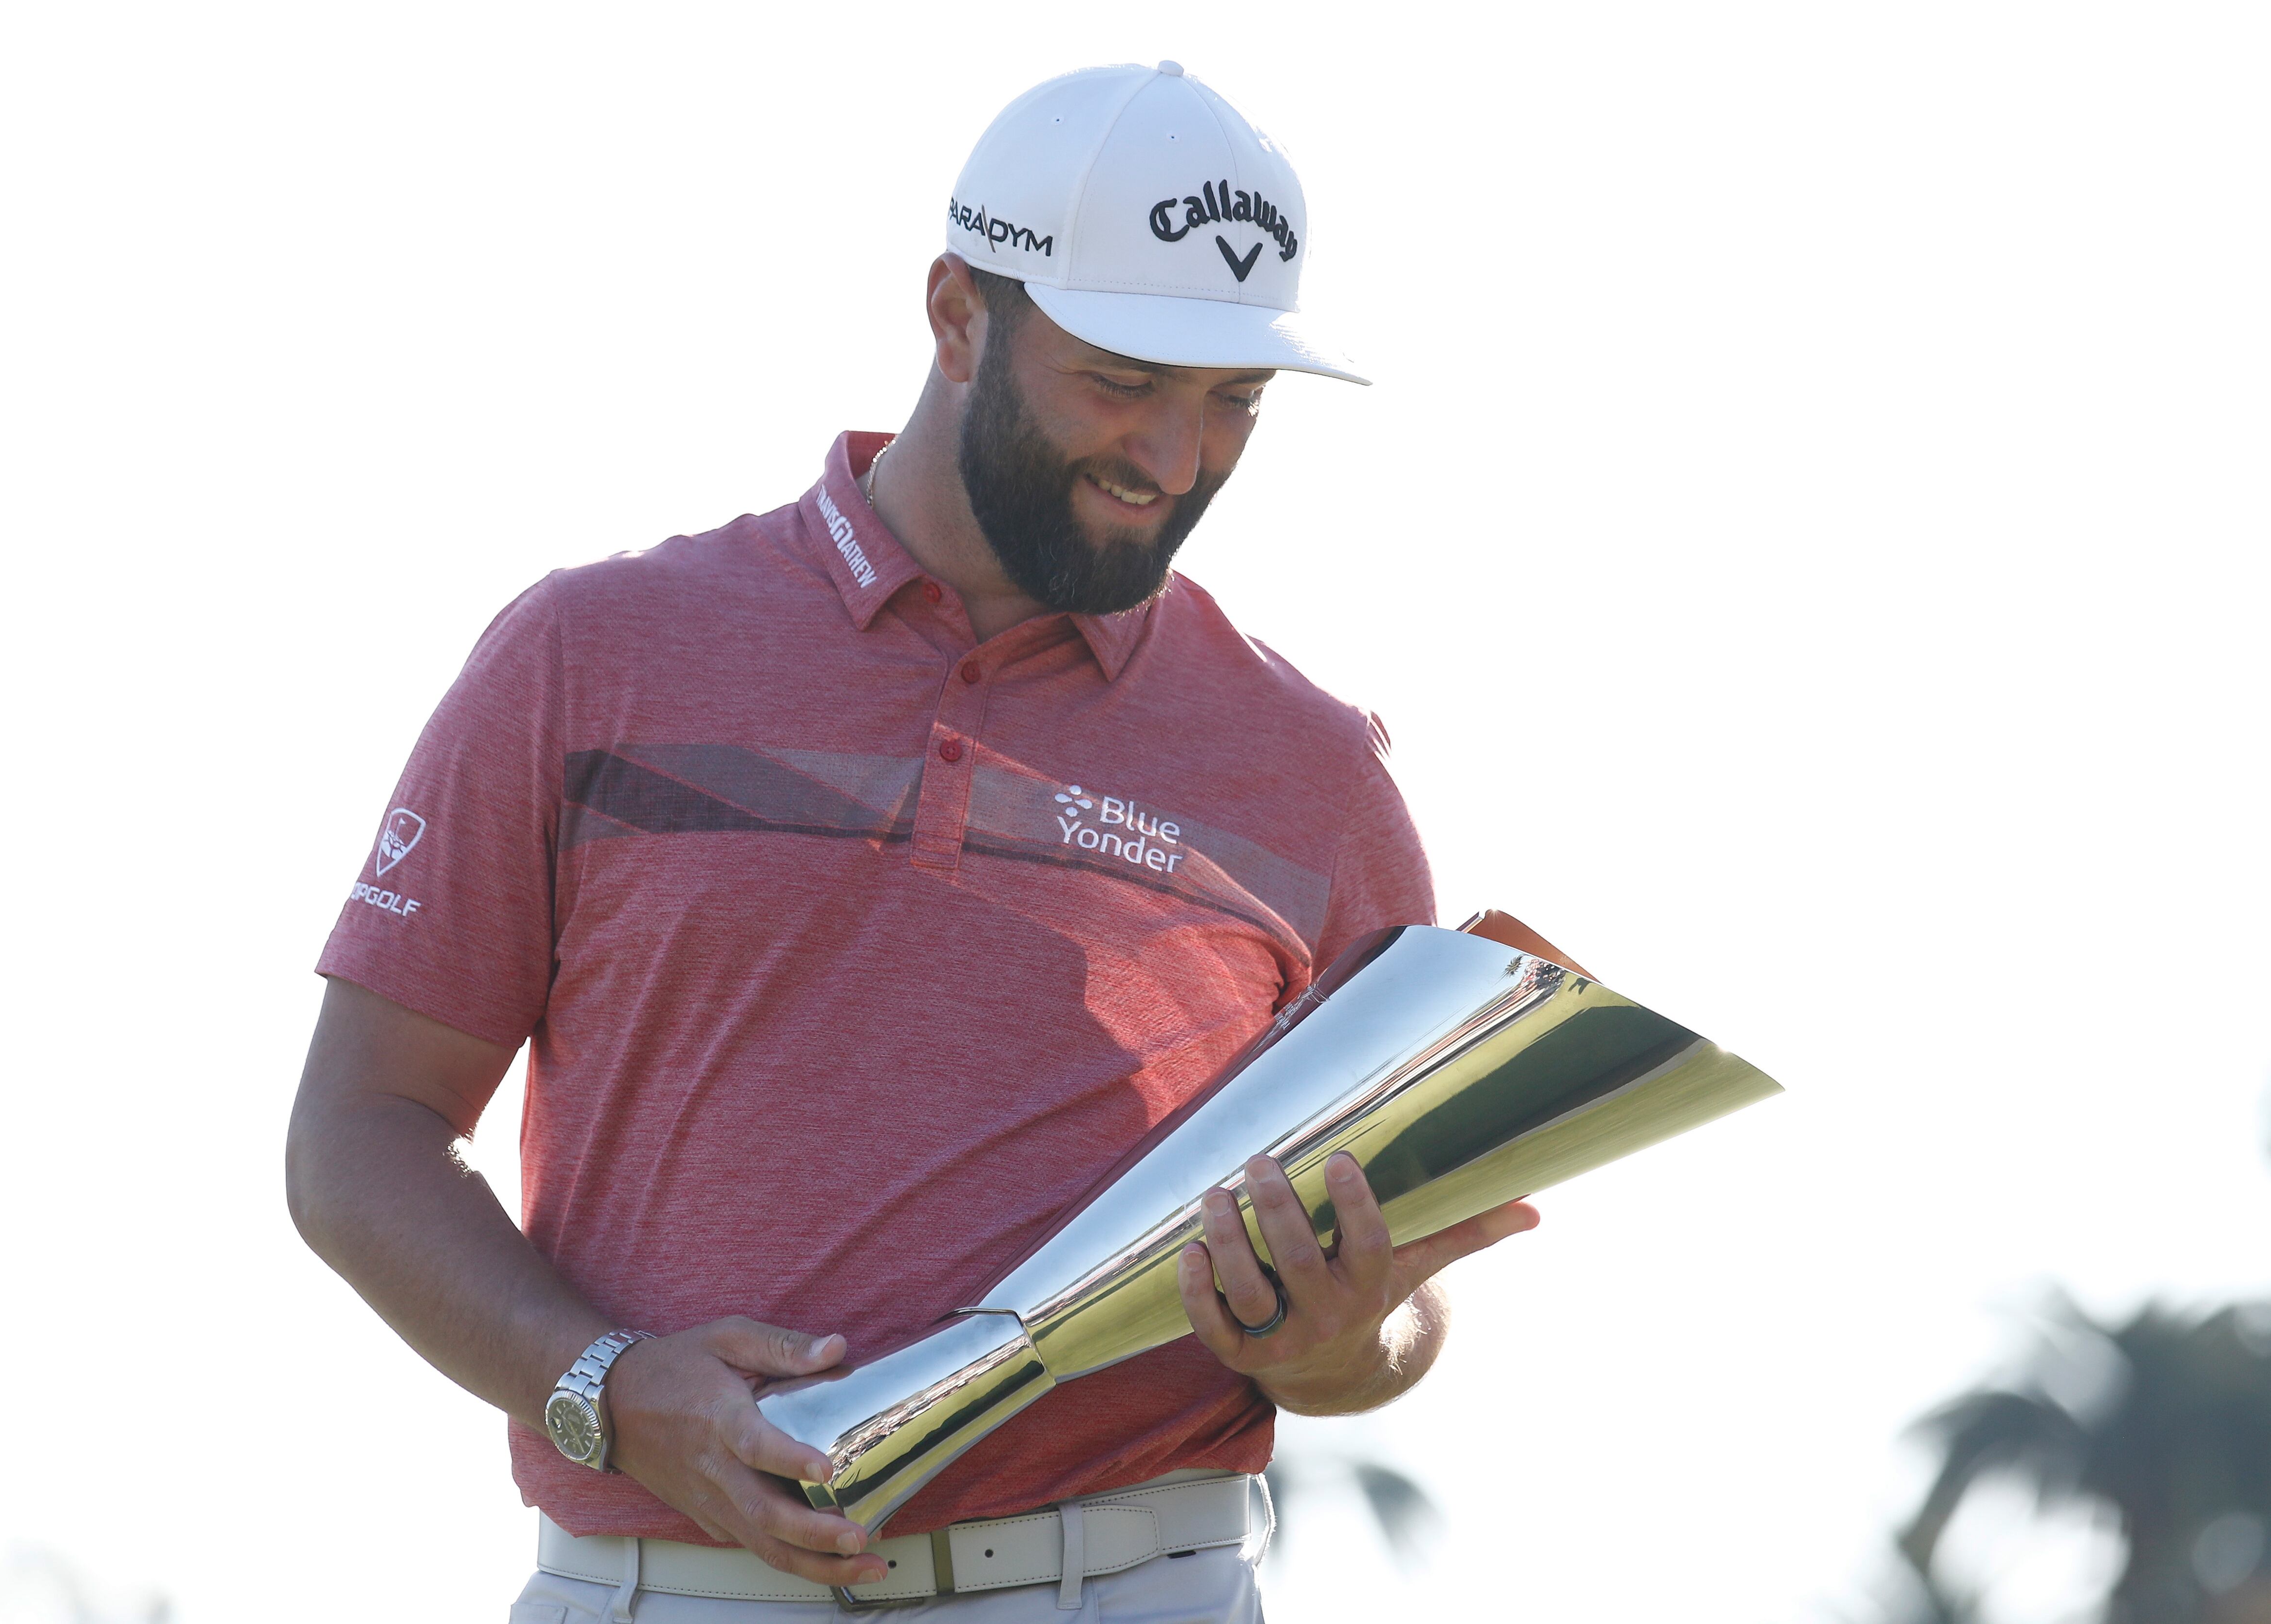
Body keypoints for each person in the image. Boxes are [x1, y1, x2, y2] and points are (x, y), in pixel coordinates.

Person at [287, 61, 1539, 1623]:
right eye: (1124, 380)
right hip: (667, 1593)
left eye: (1235, 402)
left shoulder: (1316, 767)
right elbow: (356, 1138)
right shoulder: (589, 655)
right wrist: (600, 1387)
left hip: (1131, 1584)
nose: (1174, 459)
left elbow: (1398, 1292)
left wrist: (1351, 1344)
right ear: (958, 313)